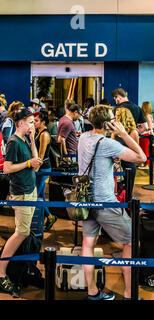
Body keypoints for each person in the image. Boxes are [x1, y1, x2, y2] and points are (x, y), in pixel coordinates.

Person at [78, 105, 146, 300]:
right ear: (108, 123)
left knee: (88, 244)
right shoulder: (107, 143)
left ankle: (92, 292)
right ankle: (129, 294)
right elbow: (141, 158)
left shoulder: (83, 137)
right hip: (105, 202)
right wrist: (124, 134)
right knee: (131, 241)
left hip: (86, 201)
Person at [0, 107, 42, 294]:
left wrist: (32, 141)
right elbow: (7, 168)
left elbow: (36, 163)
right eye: (29, 122)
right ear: (20, 123)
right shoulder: (13, 142)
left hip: (30, 190)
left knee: (24, 232)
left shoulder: (24, 140)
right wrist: (28, 163)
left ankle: (14, 268)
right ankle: (0, 270)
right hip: (21, 193)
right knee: (21, 232)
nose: (33, 124)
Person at [34, 110, 56, 231]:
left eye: (36, 121)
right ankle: (49, 216)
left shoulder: (45, 134)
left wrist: (36, 170)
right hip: (41, 168)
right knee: (40, 196)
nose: (34, 123)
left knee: (35, 195)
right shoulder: (39, 132)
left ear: (43, 121)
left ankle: (35, 223)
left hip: (43, 168)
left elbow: (41, 156)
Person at [112, 107, 139, 197]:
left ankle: (128, 209)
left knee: (128, 190)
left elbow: (136, 150)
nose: (115, 118)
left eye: (116, 116)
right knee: (117, 189)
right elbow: (112, 147)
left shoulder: (133, 132)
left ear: (122, 117)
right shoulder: (115, 131)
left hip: (129, 165)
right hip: (117, 165)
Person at [139, 101, 153, 168]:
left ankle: (146, 164)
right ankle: (143, 163)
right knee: (142, 149)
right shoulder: (147, 115)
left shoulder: (147, 116)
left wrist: (141, 128)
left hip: (145, 135)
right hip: (144, 134)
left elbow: (149, 127)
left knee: (144, 150)